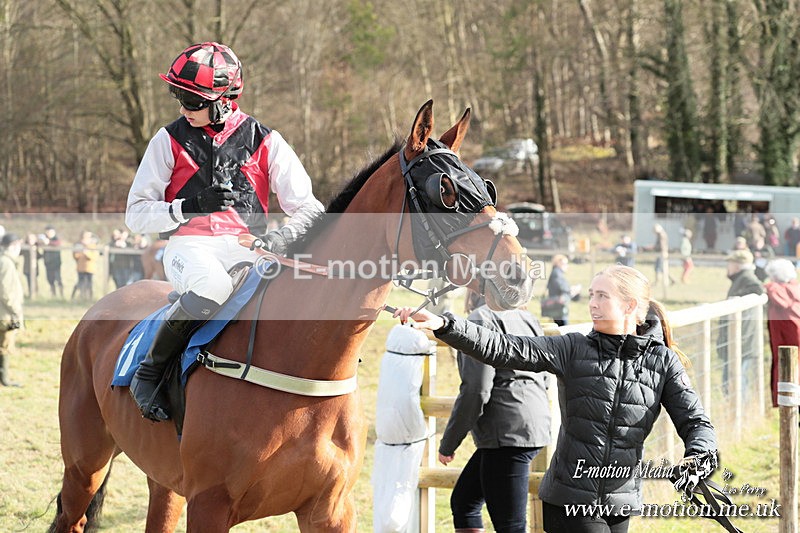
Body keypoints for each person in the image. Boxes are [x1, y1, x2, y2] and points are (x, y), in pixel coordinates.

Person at [394, 265, 718, 533]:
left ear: (630, 306)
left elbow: (695, 421)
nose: (592, 303)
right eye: (591, 294)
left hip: (621, 501)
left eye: (602, 296)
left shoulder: (661, 361)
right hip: (569, 502)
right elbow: (503, 347)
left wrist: (699, 455)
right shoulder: (572, 348)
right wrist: (444, 324)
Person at [125, 42, 323, 421]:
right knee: (213, 287)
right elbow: (136, 215)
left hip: (249, 249)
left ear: (225, 99)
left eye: (192, 100)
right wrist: (187, 207)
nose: (183, 108)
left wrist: (283, 237)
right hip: (190, 247)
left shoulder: (267, 140)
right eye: (179, 97)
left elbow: (311, 207)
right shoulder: (167, 141)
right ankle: (149, 373)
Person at [439, 291, 550, 533]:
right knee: (464, 501)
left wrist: (448, 444)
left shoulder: (478, 321)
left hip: (507, 435)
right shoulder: (526, 317)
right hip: (534, 424)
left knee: (510, 526)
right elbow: (544, 373)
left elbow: (476, 391)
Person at [716, 249, 764, 398]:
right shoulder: (740, 279)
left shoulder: (748, 281)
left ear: (737, 265)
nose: (727, 268)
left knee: (736, 382)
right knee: (734, 381)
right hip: (738, 340)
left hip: (740, 341)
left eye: (729, 264)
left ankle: (738, 415)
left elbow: (758, 290)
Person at [764, 259, 800, 408]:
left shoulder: (780, 290)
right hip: (791, 345)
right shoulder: (796, 288)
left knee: (791, 381)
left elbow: (781, 300)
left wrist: (767, 285)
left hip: (790, 345)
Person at [0, 234, 24, 387]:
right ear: (14, 245)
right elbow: (6, 292)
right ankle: (5, 379)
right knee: (5, 345)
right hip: (5, 313)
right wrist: (15, 311)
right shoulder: (6, 263)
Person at [541, 254, 573, 326]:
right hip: (558, 304)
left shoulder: (556, 272)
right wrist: (570, 289)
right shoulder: (557, 273)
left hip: (556, 303)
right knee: (563, 327)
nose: (566, 266)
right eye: (565, 264)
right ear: (558, 263)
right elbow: (560, 286)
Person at [71, 231, 99, 301]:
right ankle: (79, 297)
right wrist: (77, 253)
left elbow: (94, 257)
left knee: (89, 284)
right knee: (80, 283)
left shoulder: (93, 247)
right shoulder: (79, 246)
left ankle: (89, 298)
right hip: (80, 268)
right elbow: (76, 257)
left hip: (90, 269)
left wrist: (87, 253)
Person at [42, 225, 64, 298]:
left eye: (50, 231)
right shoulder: (44, 239)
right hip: (48, 263)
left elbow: (58, 243)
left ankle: (61, 295)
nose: (48, 233)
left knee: (58, 279)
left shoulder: (56, 239)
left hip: (56, 263)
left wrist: (48, 242)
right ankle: (53, 295)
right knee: (50, 280)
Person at [21, 233, 43, 297]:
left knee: (35, 281)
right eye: (29, 239)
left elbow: (39, 256)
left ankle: (35, 294)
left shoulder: (36, 247)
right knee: (29, 282)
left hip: (35, 268)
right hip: (27, 268)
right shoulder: (25, 248)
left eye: (32, 239)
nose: (30, 240)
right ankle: (31, 294)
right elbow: (20, 253)